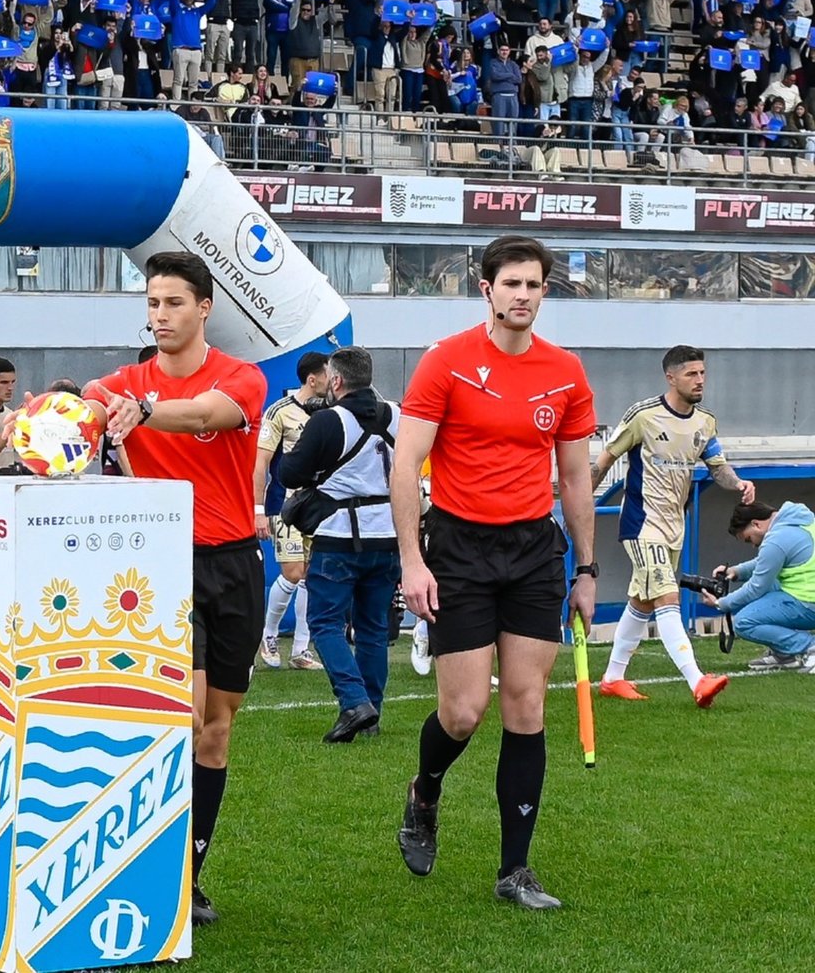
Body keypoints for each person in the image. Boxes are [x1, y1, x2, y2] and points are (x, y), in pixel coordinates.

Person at [391, 235, 598, 911]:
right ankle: (424, 790)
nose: (522, 295)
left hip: (535, 549)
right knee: (462, 711)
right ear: (486, 288)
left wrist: (587, 568)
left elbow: (573, 476)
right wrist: (413, 560)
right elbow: (405, 464)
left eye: (534, 284)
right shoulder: (446, 362)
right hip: (458, 547)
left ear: (544, 291)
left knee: (526, 704)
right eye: (511, 283)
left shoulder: (565, 370)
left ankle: (516, 869)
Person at [75, 251, 267, 929]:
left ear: (204, 307)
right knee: (179, 717)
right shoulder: (122, 381)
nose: (159, 315)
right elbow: (82, 402)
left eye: (173, 303)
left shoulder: (240, 378)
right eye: (152, 303)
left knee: (215, 731)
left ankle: (188, 877)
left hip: (236, 566)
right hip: (161, 566)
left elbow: (204, 413)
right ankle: (142, 866)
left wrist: (144, 410)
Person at [590, 345, 749, 705]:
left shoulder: (705, 421)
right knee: (667, 597)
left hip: (674, 525)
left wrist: (738, 484)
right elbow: (603, 461)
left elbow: (717, 467)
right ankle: (697, 682)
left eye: (703, 373)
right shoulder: (643, 416)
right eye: (692, 374)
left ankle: (613, 677)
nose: (700, 380)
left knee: (643, 601)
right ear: (671, 376)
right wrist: (577, 502)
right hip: (642, 524)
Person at [273, 347, 401, 742]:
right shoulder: (397, 415)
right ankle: (372, 713)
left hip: (339, 535)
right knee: (373, 628)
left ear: (337, 381)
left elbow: (288, 471)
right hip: (388, 534)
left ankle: (353, 701)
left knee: (325, 622)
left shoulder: (329, 421)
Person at [254, 351, 332, 670]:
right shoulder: (279, 412)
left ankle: (301, 649)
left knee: (311, 578)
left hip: (321, 505)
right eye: (329, 374)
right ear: (313, 379)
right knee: (293, 572)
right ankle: (268, 635)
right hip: (286, 505)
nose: (333, 379)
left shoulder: (331, 413)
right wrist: (258, 509)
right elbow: (260, 463)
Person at [709, 500, 815, 671]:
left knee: (745, 622)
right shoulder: (800, 520)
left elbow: (756, 587)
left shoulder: (776, 539)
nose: (753, 545)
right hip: (808, 596)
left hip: (809, 603)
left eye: (748, 539)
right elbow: (769, 561)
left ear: (756, 524)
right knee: (771, 588)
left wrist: (721, 603)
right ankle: (784, 654)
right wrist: (737, 571)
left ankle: (809, 646)